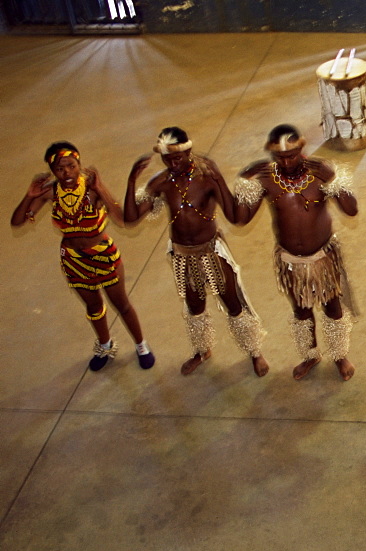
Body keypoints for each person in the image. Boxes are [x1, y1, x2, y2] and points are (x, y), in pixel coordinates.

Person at [124, 127, 269, 377]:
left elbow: (235, 217)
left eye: (177, 158)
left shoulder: (206, 176)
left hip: (211, 250)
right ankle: (202, 350)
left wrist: (236, 184)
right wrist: (130, 181)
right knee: (194, 306)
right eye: (166, 159)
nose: (172, 164)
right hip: (182, 255)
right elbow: (130, 218)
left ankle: (255, 351)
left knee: (233, 303)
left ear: (188, 151)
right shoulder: (161, 181)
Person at [11, 141, 155, 371]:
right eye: (59, 168)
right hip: (73, 260)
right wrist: (29, 196)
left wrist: (101, 190)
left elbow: (122, 219)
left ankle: (141, 345)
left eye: (71, 165)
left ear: (79, 164)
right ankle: (105, 345)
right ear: (52, 171)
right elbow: (17, 222)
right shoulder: (49, 192)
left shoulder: (91, 189)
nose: (66, 172)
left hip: (103, 255)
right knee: (93, 307)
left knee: (121, 304)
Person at [232, 124, 358, 381]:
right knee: (301, 311)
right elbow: (241, 219)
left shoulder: (319, 172)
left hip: (323, 257)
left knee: (332, 307)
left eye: (292, 154)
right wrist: (243, 180)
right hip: (290, 262)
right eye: (280, 157)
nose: (287, 162)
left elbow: (351, 209)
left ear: (302, 148)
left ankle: (339, 355)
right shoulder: (267, 179)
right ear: (271, 155)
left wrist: (331, 178)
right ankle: (310, 355)